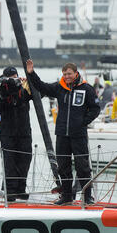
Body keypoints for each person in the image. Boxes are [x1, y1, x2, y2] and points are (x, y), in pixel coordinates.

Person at [26, 59, 100, 205]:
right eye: (64, 74)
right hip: (62, 134)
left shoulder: (87, 89)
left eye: (69, 74)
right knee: (63, 167)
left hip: (78, 135)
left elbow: (96, 108)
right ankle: (66, 197)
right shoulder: (59, 87)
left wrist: (83, 122)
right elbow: (42, 87)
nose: (67, 76)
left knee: (83, 167)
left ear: (76, 73)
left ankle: (87, 196)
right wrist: (31, 73)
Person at [0, 66, 33, 202]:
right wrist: (3, 94)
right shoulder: (0, 88)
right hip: (8, 132)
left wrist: (28, 82)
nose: (13, 80)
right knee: (9, 162)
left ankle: (21, 189)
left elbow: (38, 95)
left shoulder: (23, 86)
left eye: (15, 77)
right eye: (10, 78)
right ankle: (10, 191)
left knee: (25, 160)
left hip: (24, 131)